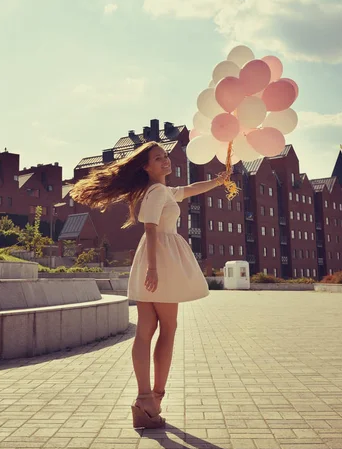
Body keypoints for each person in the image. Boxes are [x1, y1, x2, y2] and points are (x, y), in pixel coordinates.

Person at [71, 140, 230, 429]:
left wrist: (218, 181)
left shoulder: (161, 190)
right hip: (160, 259)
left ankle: (144, 398)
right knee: (167, 328)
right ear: (146, 166)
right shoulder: (157, 192)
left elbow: (190, 189)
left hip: (151, 258)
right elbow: (151, 227)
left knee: (145, 331)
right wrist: (155, 269)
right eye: (159, 158)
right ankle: (154, 397)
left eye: (166, 156)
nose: (165, 161)